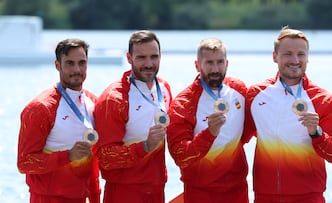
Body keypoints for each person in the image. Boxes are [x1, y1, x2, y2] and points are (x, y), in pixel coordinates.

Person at [242, 26, 332, 203]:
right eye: (288, 54)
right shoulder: (256, 94)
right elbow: (237, 139)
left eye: (301, 54)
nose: (295, 60)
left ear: (307, 57)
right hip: (266, 196)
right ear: (275, 57)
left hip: (308, 196)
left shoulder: (325, 100)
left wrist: (316, 132)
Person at [17, 38, 101, 203]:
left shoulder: (94, 103)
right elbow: (24, 163)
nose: (77, 69)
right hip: (47, 199)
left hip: (81, 198)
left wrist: (95, 198)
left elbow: (93, 161)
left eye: (81, 63)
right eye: (69, 63)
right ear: (57, 65)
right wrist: (68, 155)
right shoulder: (40, 108)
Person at [166, 38, 249, 203]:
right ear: (197, 65)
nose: (215, 69)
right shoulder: (184, 103)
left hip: (237, 190)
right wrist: (209, 134)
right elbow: (180, 156)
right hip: (201, 193)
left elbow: (248, 131)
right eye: (209, 63)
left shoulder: (239, 89)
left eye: (219, 62)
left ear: (227, 63)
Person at [94, 30, 172, 203]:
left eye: (154, 56)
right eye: (141, 57)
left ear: (161, 56)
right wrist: (145, 146)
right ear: (129, 58)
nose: (149, 64)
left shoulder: (164, 88)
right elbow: (105, 158)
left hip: (157, 189)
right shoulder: (113, 99)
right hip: (124, 192)